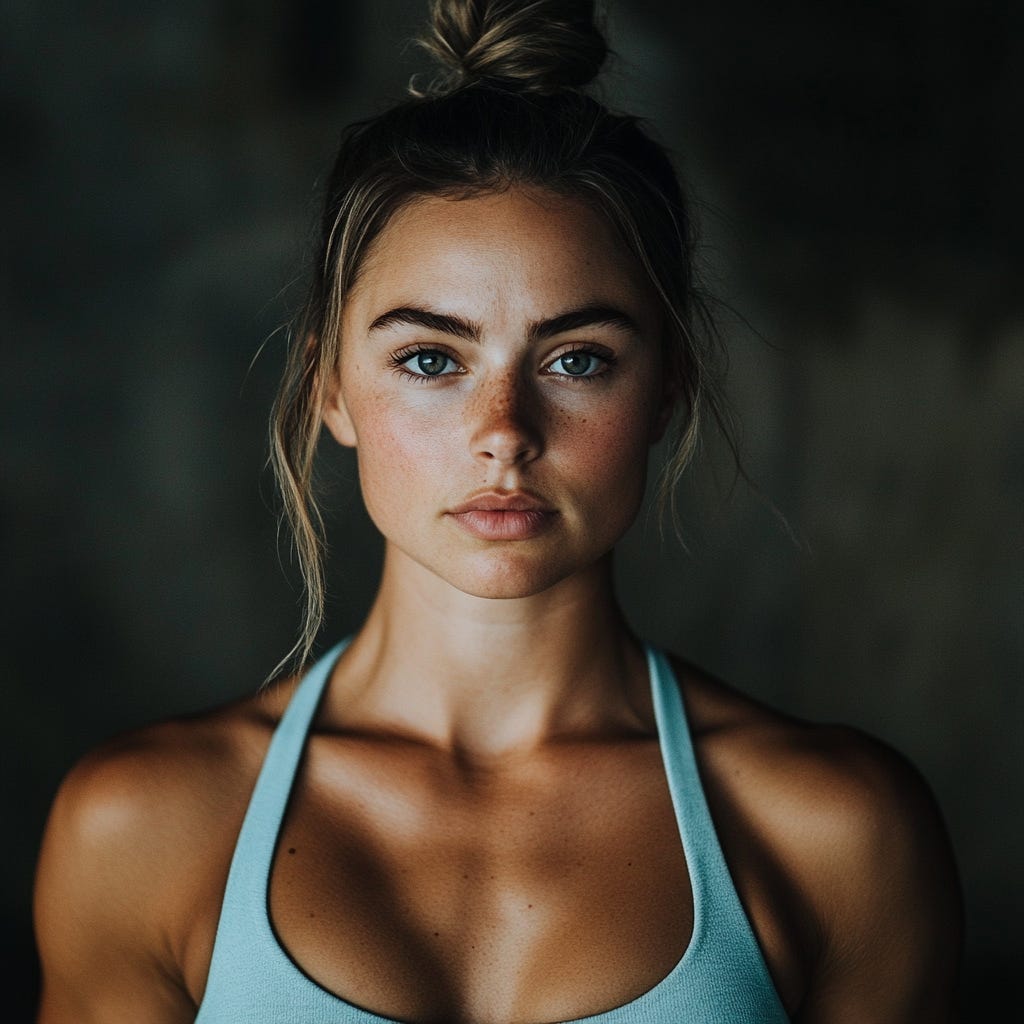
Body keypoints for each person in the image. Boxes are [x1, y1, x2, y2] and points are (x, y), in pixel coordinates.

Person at [33, 2, 962, 1021]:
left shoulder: (832, 831)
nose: (503, 429)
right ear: (329, 390)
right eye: (431, 359)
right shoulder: (145, 826)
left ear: (667, 389)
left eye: (576, 360)